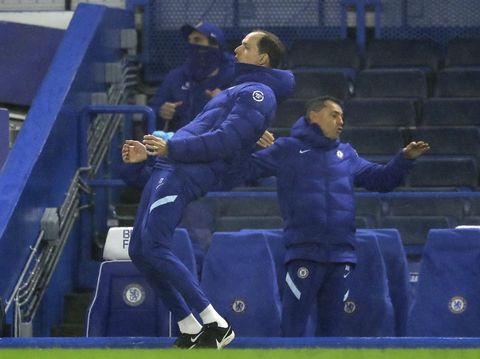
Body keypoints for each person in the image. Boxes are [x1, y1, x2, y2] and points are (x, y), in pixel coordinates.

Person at [121, 30, 295, 348]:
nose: (237, 49)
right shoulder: (241, 89)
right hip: (171, 167)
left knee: (156, 246)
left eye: (246, 45)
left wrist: (171, 150)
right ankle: (190, 327)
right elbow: (214, 135)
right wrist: (149, 157)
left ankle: (216, 323)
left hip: (183, 171)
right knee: (140, 251)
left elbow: (225, 142)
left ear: (263, 59)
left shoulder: (258, 94)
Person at [235, 96, 430, 337]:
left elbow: (381, 179)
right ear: (313, 116)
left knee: (333, 333)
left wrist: (404, 160)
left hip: (341, 255)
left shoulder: (347, 154)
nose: (341, 121)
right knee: (292, 328)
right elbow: (242, 169)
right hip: (304, 252)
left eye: (342, 117)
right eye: (334, 115)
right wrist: (245, 141)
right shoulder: (287, 150)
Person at [149, 21, 236, 131]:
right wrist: (160, 113)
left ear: (214, 44)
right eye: (189, 40)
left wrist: (227, 104)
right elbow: (149, 115)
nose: (192, 45)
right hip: (180, 143)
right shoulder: (176, 77)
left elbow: (251, 117)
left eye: (197, 40)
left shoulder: (236, 77)